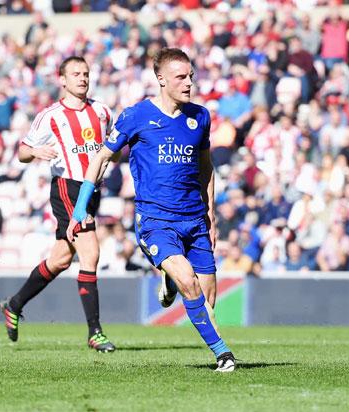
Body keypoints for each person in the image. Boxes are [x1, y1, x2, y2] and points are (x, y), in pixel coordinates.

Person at [66, 48, 235, 372]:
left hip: (195, 220)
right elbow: (101, 158)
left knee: (206, 297)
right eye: (180, 77)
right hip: (157, 220)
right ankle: (223, 354)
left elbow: (206, 167)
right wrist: (79, 208)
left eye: (191, 77)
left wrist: (210, 213)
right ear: (161, 79)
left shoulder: (200, 116)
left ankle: (169, 281)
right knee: (189, 282)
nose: (188, 83)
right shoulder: (136, 116)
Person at [0, 56, 116, 352]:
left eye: (86, 73)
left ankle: (13, 305)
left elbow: (111, 147)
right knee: (90, 253)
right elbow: (22, 151)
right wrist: (36, 151)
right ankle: (95, 332)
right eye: (76, 73)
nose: (83, 78)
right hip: (68, 188)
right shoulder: (50, 116)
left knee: (61, 260)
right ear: (62, 80)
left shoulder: (101, 111)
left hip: (93, 190)